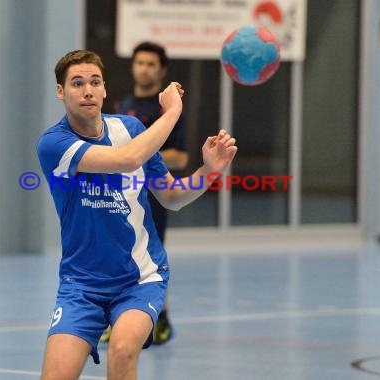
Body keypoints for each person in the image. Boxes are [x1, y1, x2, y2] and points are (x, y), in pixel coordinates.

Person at [36, 49, 237, 380]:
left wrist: (209, 170)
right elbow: (128, 159)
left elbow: (171, 197)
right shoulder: (54, 143)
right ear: (61, 92)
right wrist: (171, 113)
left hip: (139, 279)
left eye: (94, 82)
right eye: (77, 83)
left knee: (123, 349)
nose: (87, 90)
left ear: (104, 90)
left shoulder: (129, 128)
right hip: (81, 284)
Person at [101, 42, 188, 345]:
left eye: (151, 64)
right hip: (121, 195)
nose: (145, 68)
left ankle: (161, 318)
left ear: (161, 70)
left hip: (153, 196)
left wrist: (142, 154)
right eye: (140, 62)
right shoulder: (123, 106)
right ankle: (119, 317)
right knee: (119, 254)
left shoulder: (168, 109)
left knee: (152, 258)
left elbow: (179, 157)